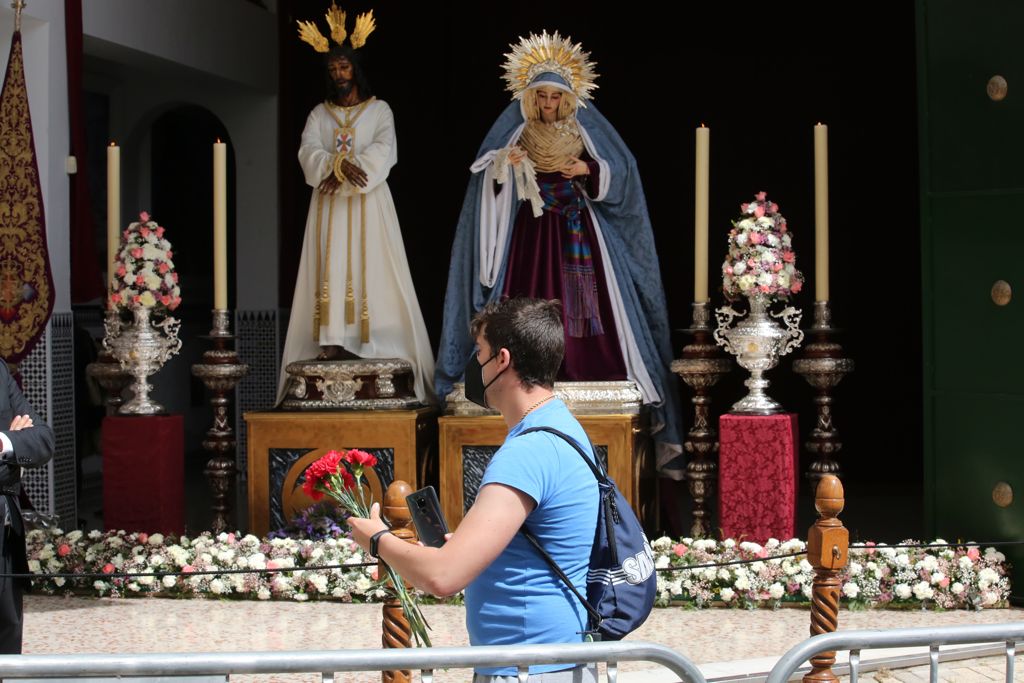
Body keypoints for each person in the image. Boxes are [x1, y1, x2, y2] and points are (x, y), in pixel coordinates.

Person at [435, 31, 681, 473]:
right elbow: (487, 182)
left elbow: (622, 171)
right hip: (528, 230)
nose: (548, 105)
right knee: (523, 305)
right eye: (542, 97)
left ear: (568, 100)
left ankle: (593, 371)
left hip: (576, 230)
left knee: (587, 307)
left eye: (555, 98)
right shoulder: (518, 131)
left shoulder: (583, 129)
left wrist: (587, 167)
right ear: (530, 99)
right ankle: (520, 376)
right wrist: (505, 170)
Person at [349, 298, 598, 681]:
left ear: (502, 359)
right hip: (551, 661)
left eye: (478, 352)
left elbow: (444, 578)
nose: (472, 365)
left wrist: (378, 540)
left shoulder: (527, 452)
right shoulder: (562, 427)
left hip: (528, 667)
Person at [279, 7, 435, 404]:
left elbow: (385, 148)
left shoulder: (379, 110)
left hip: (368, 201)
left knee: (374, 266)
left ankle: (376, 337)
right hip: (329, 203)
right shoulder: (320, 113)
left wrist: (350, 169)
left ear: (356, 69)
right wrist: (331, 164)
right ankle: (331, 340)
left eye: (344, 66)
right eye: (332, 68)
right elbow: (307, 149)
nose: (338, 74)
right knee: (328, 266)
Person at [0, 361, 55, 653]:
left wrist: (4, 441)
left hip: (5, 537)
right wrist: (13, 454)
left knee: (6, 644)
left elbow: (43, 439)